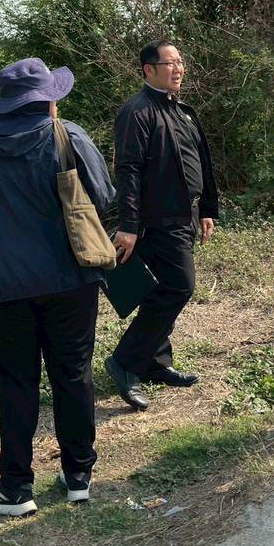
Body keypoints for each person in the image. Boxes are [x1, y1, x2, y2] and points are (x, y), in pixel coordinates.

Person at [0, 58, 115, 517]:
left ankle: (17, 486)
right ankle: (78, 473)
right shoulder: (67, 136)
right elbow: (103, 197)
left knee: (16, 381)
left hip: (1, 284)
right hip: (68, 277)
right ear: (48, 99)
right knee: (73, 372)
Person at [104, 40, 219, 412]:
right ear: (148, 70)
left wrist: (206, 209)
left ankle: (155, 362)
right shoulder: (136, 112)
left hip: (184, 215)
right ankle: (125, 362)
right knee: (179, 287)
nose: (178, 69)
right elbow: (129, 169)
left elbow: (199, 159)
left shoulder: (182, 110)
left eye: (181, 62)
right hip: (157, 219)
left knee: (160, 290)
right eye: (169, 63)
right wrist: (128, 224)